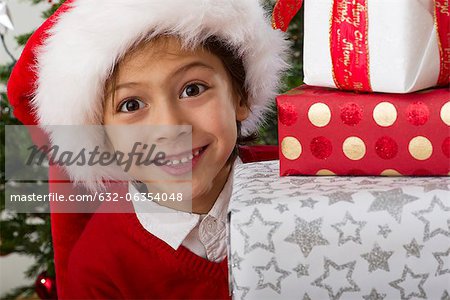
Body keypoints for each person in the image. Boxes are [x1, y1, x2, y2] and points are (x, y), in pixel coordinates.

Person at [7, 0, 291, 298]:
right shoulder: (99, 265)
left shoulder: (302, 181)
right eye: (131, 105)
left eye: (192, 89)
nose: (170, 127)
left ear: (241, 97)